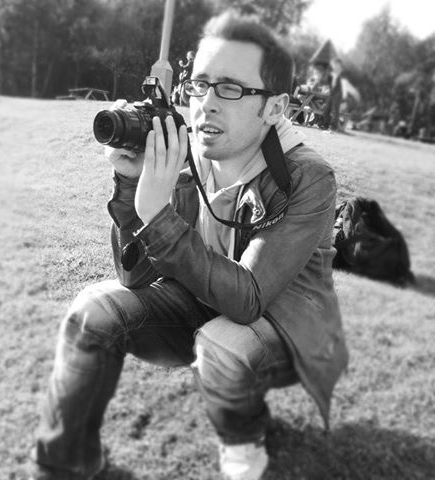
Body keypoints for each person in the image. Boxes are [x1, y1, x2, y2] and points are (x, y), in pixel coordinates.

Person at [30, 10, 348, 480]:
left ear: (275, 107)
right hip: (203, 302)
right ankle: (62, 463)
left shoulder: (307, 177)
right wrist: (130, 183)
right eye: (200, 85)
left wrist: (159, 216)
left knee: (222, 345)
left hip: (288, 326)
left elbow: (249, 298)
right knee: (91, 310)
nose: (207, 104)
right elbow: (134, 277)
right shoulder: (188, 153)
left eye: (231, 88)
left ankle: (243, 440)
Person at [321, 57, 346, 131]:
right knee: (326, 109)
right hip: (332, 93)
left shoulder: (343, 74)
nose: (334, 66)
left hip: (338, 94)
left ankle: (333, 127)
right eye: (333, 65)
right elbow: (327, 83)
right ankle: (325, 125)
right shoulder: (331, 74)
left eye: (335, 64)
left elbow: (344, 86)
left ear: (339, 65)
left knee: (335, 111)